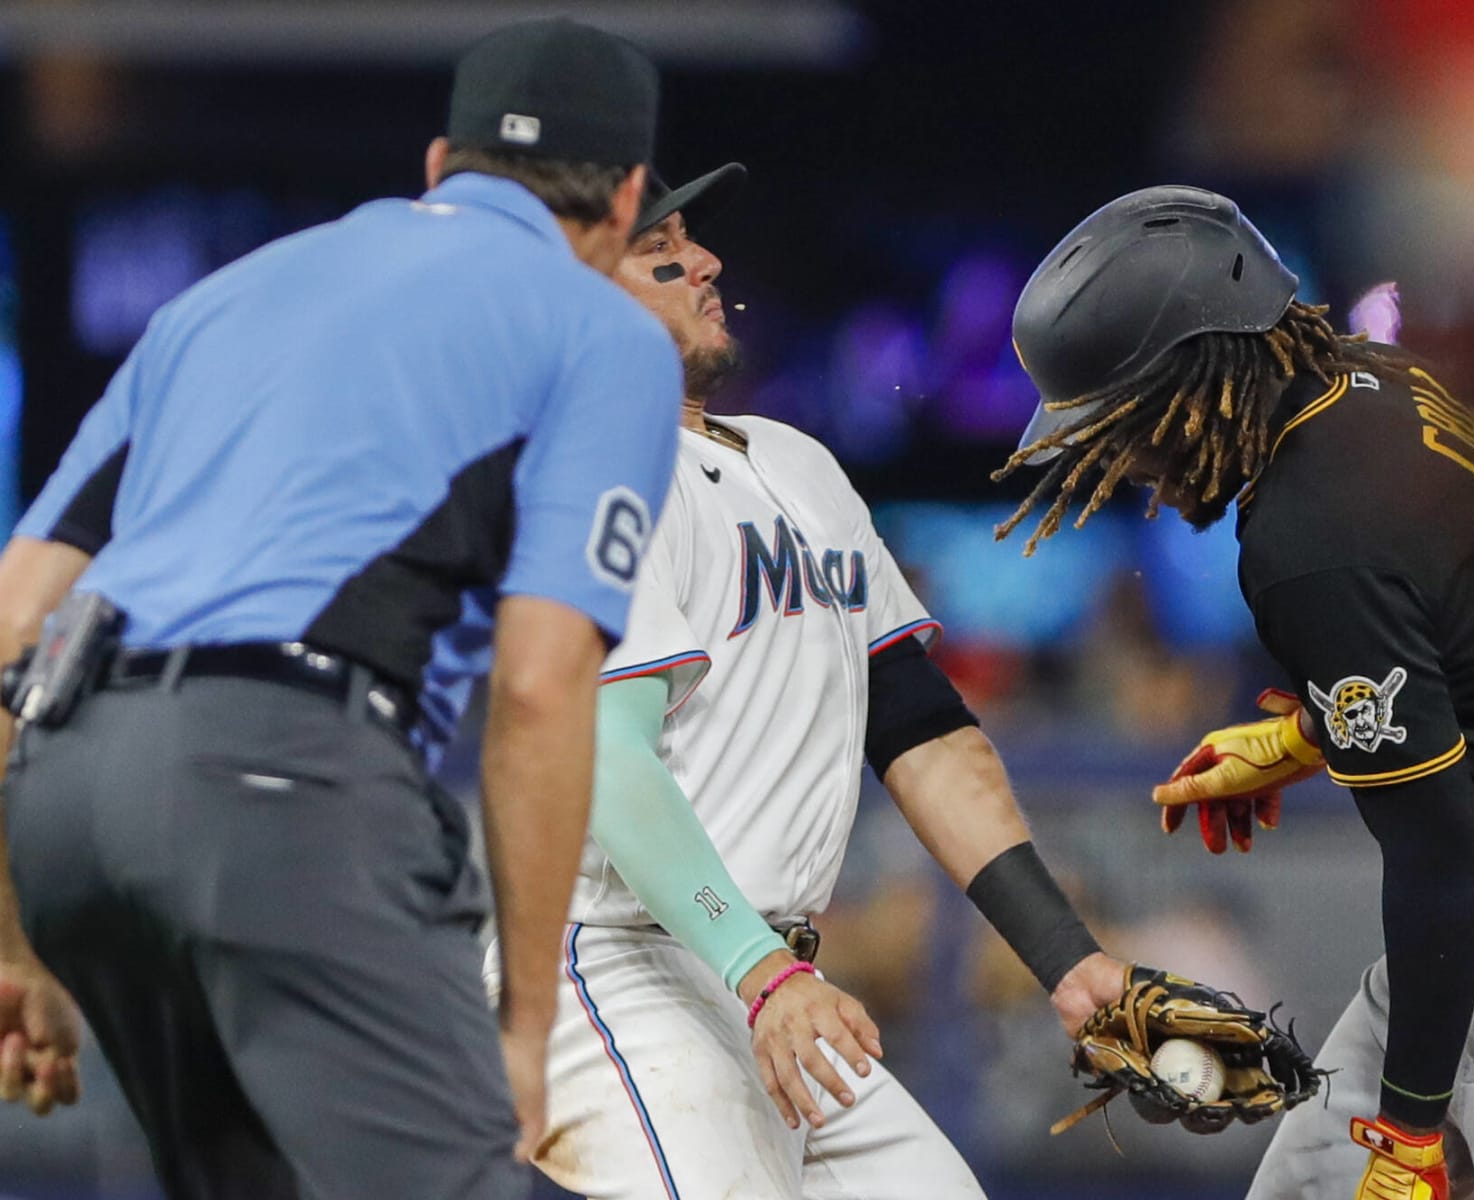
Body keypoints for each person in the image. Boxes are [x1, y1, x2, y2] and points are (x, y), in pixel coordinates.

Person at [0, 18, 684, 1199]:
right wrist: (523, 1030)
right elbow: (538, 682)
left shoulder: (224, 298)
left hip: (69, 791)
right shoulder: (602, 332)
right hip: (282, 784)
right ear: (625, 201)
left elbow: (13, 622)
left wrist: (14, 939)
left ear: (438, 167)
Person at [479, 160, 1148, 1200]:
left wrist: (1065, 959)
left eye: (692, 239)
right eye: (659, 253)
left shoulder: (795, 464)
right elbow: (604, 762)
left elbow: (921, 728)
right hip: (618, 964)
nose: (703, 261)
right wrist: (760, 972)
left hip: (766, 974)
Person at [995, 184, 1474, 1199]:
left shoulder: (1303, 540)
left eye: (1124, 423)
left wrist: (1408, 1135)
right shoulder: (1373, 378)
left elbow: (1439, 858)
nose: (1127, 463)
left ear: (1193, 377)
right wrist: (1318, 733)